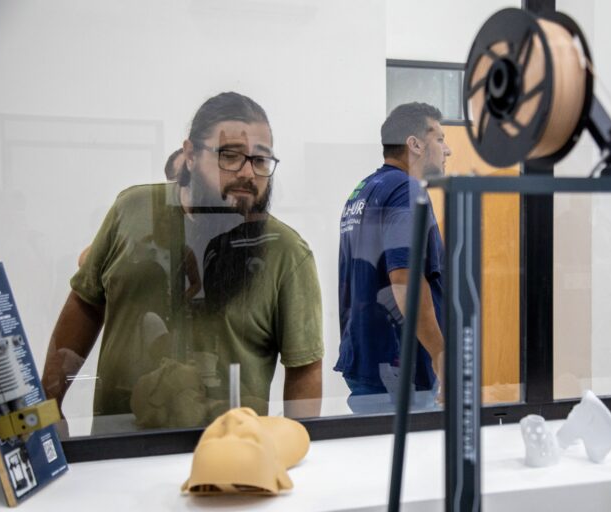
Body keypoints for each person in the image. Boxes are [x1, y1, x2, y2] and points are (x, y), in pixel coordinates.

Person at [43, 92, 324, 429]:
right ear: (190, 155)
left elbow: (304, 369)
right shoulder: (133, 211)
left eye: (261, 160)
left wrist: (297, 442)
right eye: (230, 156)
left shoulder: (287, 252)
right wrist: (48, 404)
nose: (249, 172)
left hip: (227, 451)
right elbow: (86, 303)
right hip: (118, 443)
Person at [334, 102, 450, 408]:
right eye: (439, 139)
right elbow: (405, 282)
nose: (447, 150)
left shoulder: (362, 191)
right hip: (399, 370)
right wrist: (441, 356)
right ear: (415, 144)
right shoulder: (406, 190)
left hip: (367, 360)